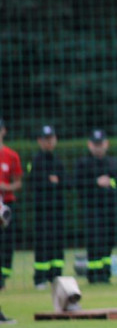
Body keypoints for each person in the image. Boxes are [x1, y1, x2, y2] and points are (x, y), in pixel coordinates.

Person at [74, 129, 117, 284]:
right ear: (89, 145)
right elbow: (77, 185)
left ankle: (105, 274)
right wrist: (95, 183)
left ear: (106, 144)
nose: (98, 147)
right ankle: (93, 275)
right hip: (92, 210)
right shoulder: (83, 163)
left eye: (101, 144)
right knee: (95, 241)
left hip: (110, 209)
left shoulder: (113, 163)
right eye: (95, 144)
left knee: (109, 241)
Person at [28, 125, 67, 288]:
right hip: (42, 210)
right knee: (42, 242)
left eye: (51, 138)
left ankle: (56, 276)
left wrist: (55, 182)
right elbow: (33, 183)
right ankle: (40, 278)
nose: (49, 142)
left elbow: (66, 182)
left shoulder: (58, 161)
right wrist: (51, 182)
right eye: (46, 139)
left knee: (57, 243)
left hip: (57, 209)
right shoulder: (35, 161)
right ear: (40, 141)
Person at [0, 118, 23, 291]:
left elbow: (18, 183)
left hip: (7, 204)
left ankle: (3, 279)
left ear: (4, 131)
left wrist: (5, 187)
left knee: (7, 244)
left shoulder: (11, 155)